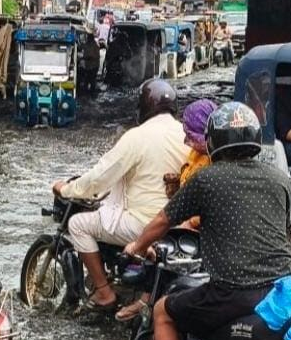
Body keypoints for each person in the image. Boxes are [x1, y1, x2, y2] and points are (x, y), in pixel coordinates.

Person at [124, 102, 291, 340]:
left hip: (233, 293)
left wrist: (137, 245)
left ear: (213, 141)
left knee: (162, 311)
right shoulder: (278, 178)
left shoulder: (207, 179)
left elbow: (162, 221)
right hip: (280, 291)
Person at [52, 79, 189, 313]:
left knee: (78, 224)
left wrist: (67, 189)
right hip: (180, 227)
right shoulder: (186, 134)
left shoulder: (137, 136)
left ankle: (105, 293)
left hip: (143, 224)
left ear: (144, 107)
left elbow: (100, 178)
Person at [115, 98, 217, 323]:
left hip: (201, 228)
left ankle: (146, 301)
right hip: (188, 219)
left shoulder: (213, 165)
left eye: (191, 135)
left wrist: (189, 222)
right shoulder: (196, 156)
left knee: (158, 246)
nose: (187, 141)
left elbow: (209, 205)